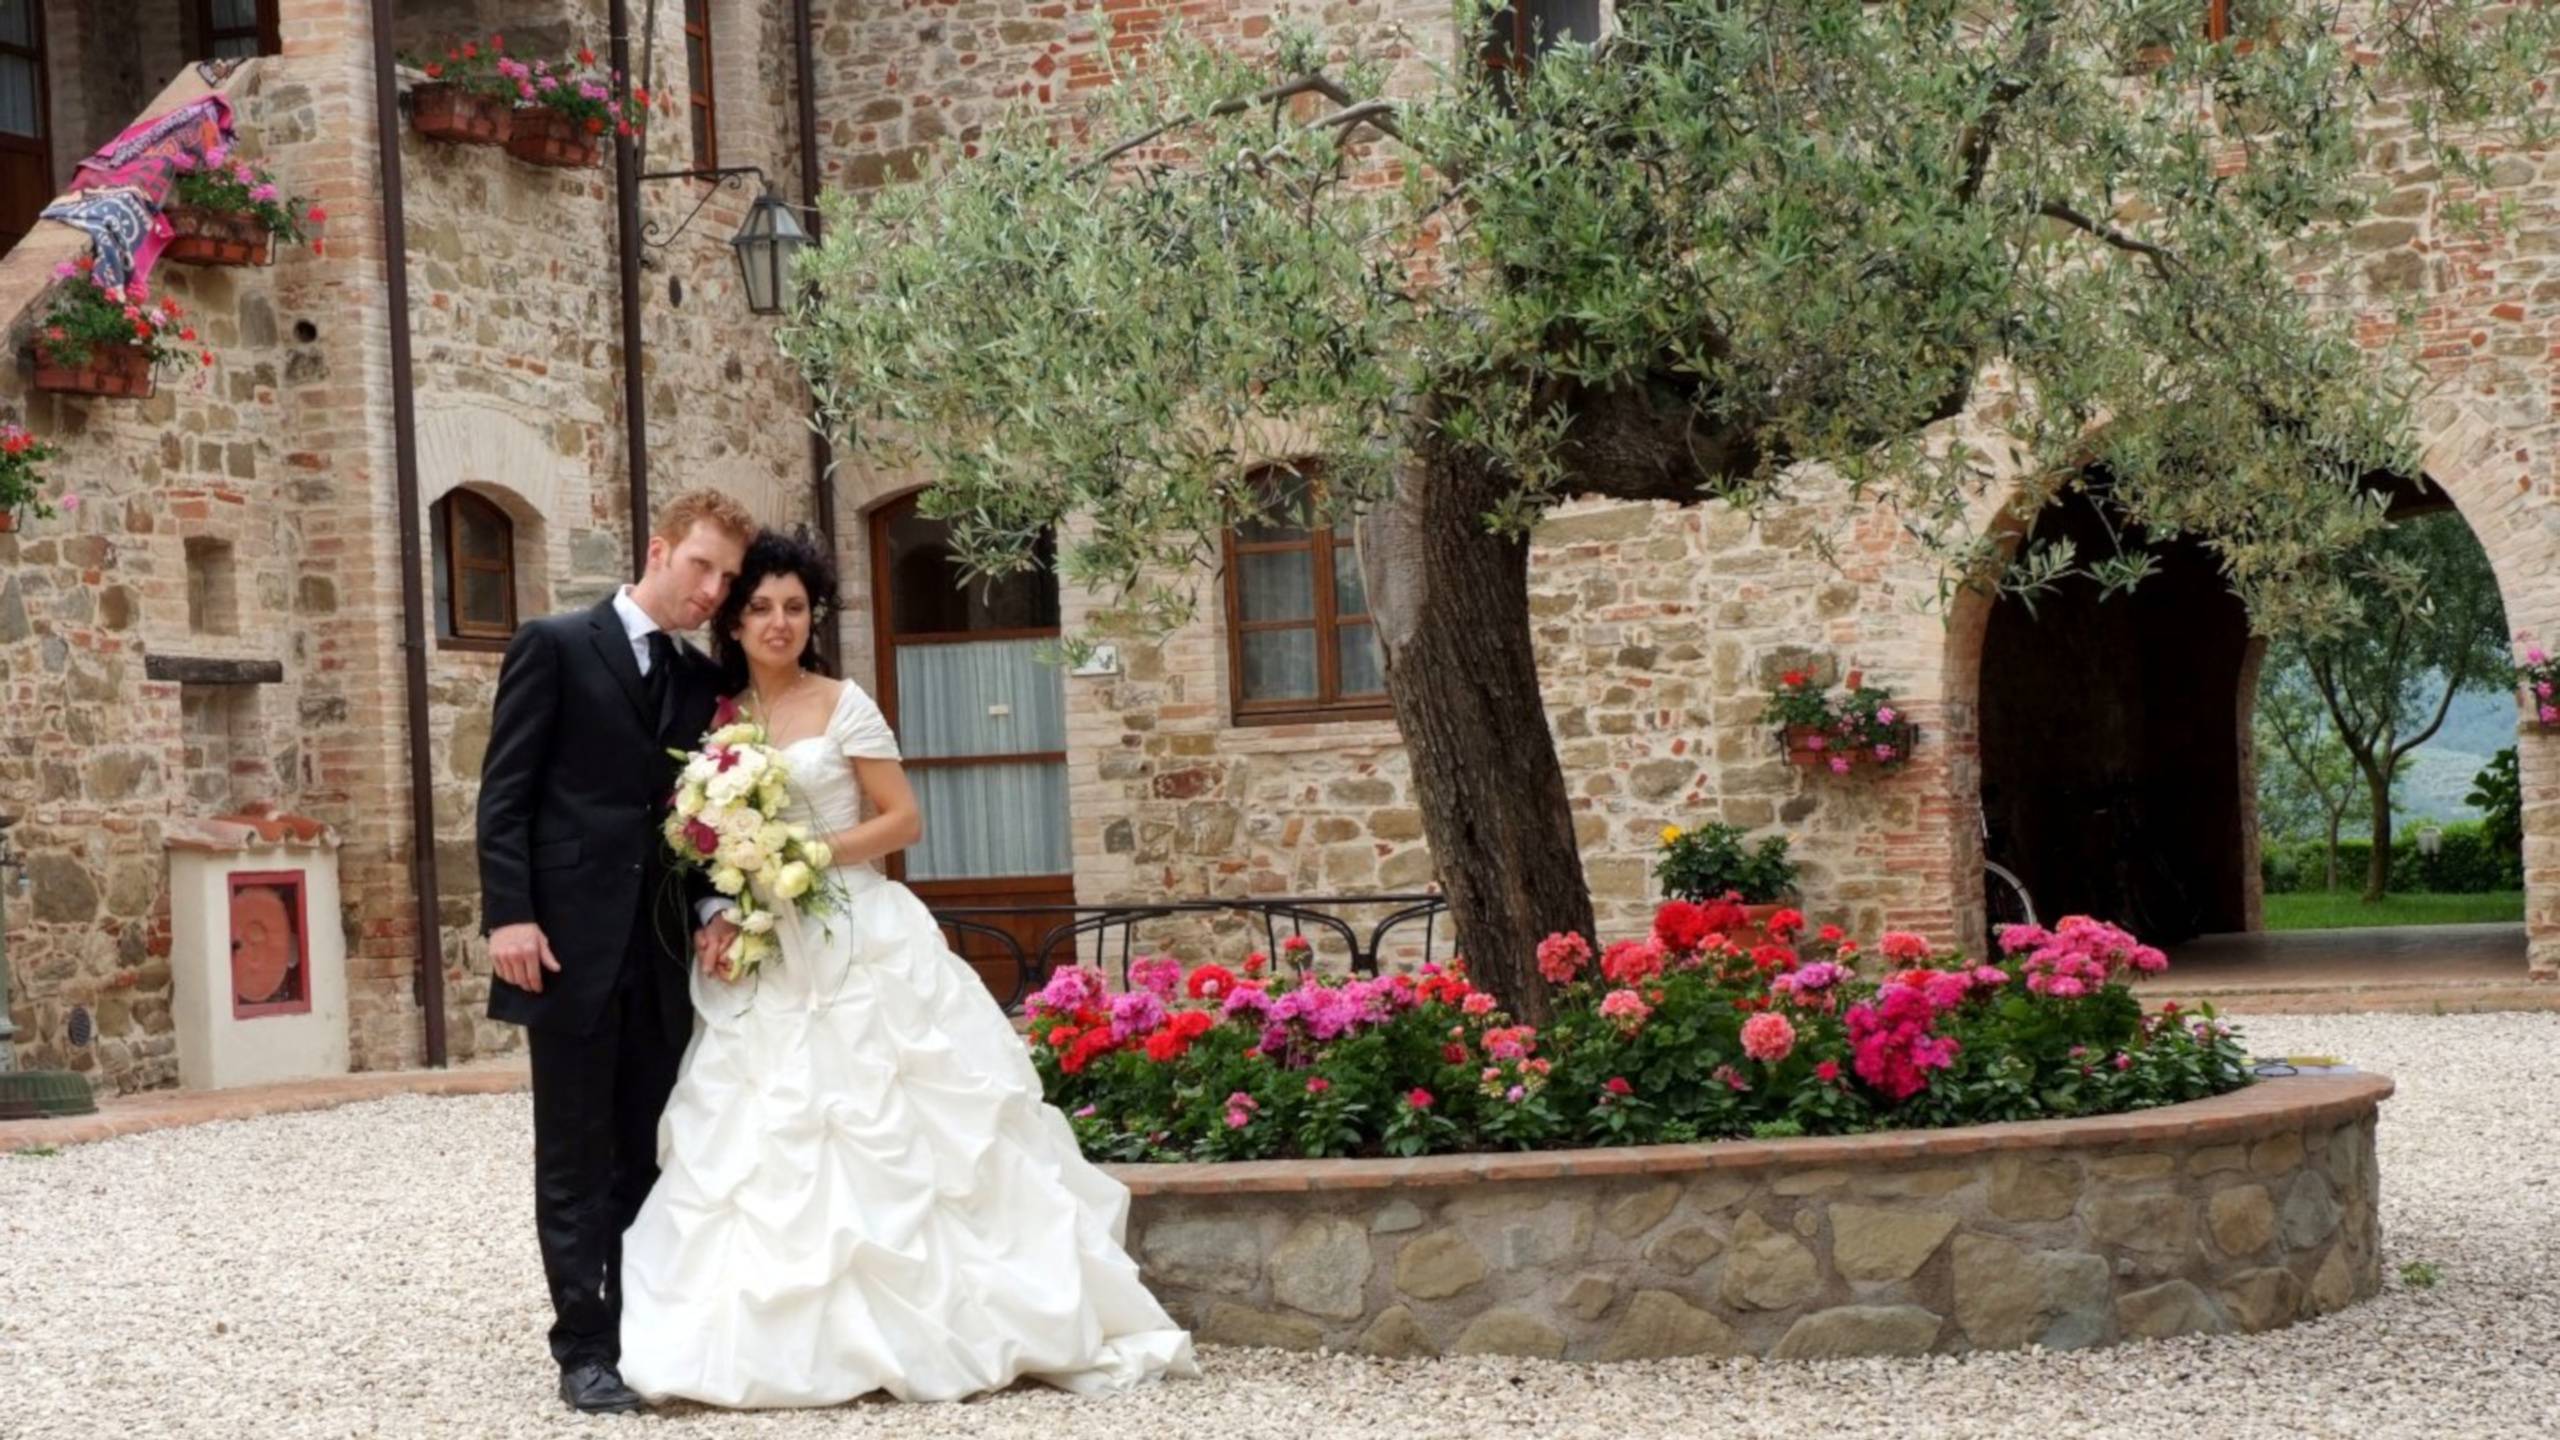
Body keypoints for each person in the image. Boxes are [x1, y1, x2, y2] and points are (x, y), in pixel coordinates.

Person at [617, 530, 1197, 1408]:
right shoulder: (720, 718)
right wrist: (731, 898)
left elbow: (902, 821)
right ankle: (764, 1340)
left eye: (796, 608)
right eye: (762, 607)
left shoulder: (844, 702)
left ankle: (952, 1321)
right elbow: (705, 841)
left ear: (813, 618)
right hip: (773, 949)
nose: (779, 622)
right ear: (733, 622)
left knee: (901, 1122)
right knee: (762, 1135)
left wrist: (807, 853)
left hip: (857, 932)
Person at [475, 488, 756, 1414]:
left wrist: (718, 903)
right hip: (559, 946)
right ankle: (582, 1346)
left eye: (727, 578)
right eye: (701, 567)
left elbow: (702, 821)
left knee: (646, 1147)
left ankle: (640, 1331)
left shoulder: (698, 685)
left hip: (663, 947)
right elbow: (506, 795)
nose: (713, 591)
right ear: (659, 549)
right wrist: (508, 916)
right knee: (573, 1154)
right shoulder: (554, 645)